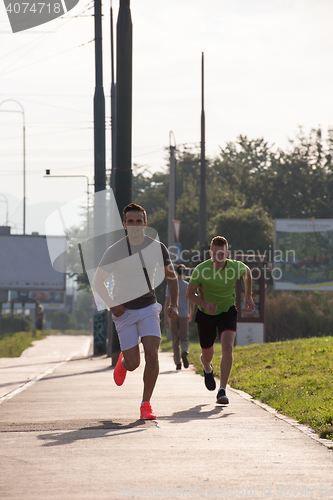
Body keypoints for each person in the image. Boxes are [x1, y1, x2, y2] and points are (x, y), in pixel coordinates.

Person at [93, 203, 178, 420]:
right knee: (134, 364)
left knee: (152, 353)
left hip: (149, 307)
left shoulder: (157, 247)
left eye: (138, 221)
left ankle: (146, 404)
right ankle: (124, 361)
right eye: (130, 221)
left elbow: (171, 277)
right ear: (124, 224)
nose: (135, 225)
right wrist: (112, 304)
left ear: (145, 223)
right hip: (124, 312)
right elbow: (98, 282)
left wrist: (174, 304)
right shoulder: (115, 251)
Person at [186, 236, 255, 405]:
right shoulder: (201, 270)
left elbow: (247, 272)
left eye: (222, 254)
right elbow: (189, 294)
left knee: (227, 346)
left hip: (227, 311)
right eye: (215, 254)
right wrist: (204, 304)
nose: (218, 258)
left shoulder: (234, 267)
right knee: (207, 354)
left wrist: (248, 295)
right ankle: (207, 367)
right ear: (210, 253)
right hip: (205, 314)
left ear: (227, 253)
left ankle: (222, 390)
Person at [164, 264, 194, 370]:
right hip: (184, 315)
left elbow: (167, 302)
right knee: (184, 337)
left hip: (173, 315)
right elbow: (192, 301)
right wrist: (191, 313)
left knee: (175, 339)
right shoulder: (187, 285)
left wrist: (165, 319)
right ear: (185, 273)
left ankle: (177, 362)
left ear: (176, 272)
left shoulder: (171, 285)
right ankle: (184, 351)